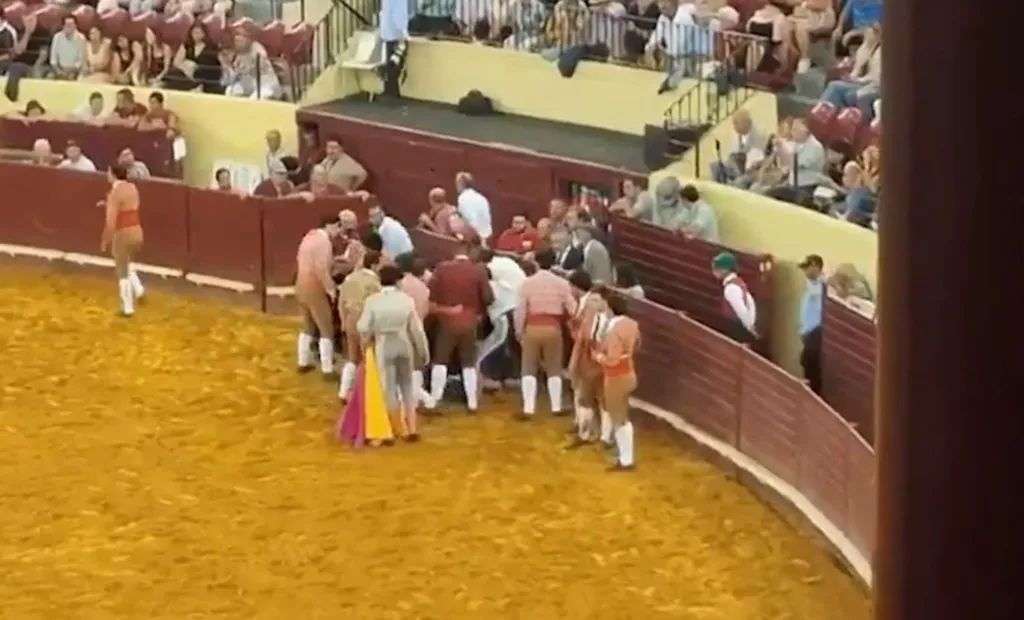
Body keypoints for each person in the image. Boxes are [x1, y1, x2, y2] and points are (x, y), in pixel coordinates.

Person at [358, 265, 431, 441]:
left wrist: (369, 338)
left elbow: (362, 326)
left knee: (388, 389)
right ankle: (412, 428)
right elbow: (417, 330)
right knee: (406, 386)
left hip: (384, 344)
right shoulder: (406, 300)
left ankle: (397, 430)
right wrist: (424, 352)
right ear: (398, 281)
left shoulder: (373, 301)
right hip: (403, 343)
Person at [427, 240, 494, 412]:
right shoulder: (478, 270)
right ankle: (472, 402)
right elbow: (488, 297)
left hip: (447, 321)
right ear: (470, 252)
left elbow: (431, 296)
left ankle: (435, 398)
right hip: (470, 321)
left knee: (441, 360)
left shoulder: (442, 268)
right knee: (468, 362)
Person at [514, 248, 577, 418]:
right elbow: (573, 310)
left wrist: (519, 331)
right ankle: (555, 407)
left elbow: (520, 311)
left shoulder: (527, 283)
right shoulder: (562, 284)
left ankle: (528, 408)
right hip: (553, 328)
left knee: (528, 367)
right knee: (554, 367)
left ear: (536, 262)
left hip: (532, 328)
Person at [592, 289, 640, 471]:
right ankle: (625, 456)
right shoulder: (633, 324)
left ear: (611, 309)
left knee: (619, 417)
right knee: (622, 416)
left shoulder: (613, 330)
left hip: (616, 377)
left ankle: (626, 460)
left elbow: (611, 359)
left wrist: (598, 357)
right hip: (629, 373)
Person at [566, 269, 610, 447]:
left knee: (590, 398)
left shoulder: (595, 317)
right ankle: (597, 435)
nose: (592, 303)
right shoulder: (604, 317)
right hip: (596, 361)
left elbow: (582, 339)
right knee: (595, 399)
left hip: (595, 361)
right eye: (592, 299)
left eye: (596, 300)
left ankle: (592, 434)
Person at [295, 218, 342, 375]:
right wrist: (331, 289)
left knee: (307, 326)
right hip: (314, 287)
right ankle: (327, 369)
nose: (338, 231)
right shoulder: (324, 242)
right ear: (330, 226)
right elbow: (321, 268)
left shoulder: (308, 237)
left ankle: (303, 362)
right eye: (337, 227)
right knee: (326, 328)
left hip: (300, 284)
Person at [99, 163, 146, 317]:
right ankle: (139, 289)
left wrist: (105, 239)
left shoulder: (114, 193)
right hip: (137, 231)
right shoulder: (132, 188)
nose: (107, 175)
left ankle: (127, 308)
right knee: (128, 262)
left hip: (123, 233)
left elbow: (111, 222)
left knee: (122, 271)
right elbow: (127, 207)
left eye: (108, 172)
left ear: (113, 174)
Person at [338, 251, 383, 398]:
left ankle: (344, 392)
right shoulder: (375, 283)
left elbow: (341, 303)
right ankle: (367, 394)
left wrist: (344, 322)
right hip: (366, 322)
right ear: (375, 264)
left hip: (351, 318)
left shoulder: (350, 278)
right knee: (369, 358)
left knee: (352, 357)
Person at [821, 22, 882, 121]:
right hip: (859, 82)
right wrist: (850, 78)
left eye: (872, 33)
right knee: (834, 84)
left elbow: (875, 79)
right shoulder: (864, 48)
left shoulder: (881, 52)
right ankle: (829, 118)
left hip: (872, 85)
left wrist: (857, 80)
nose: (868, 35)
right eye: (868, 32)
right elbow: (857, 70)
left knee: (835, 87)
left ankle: (826, 119)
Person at [395, 253, 433, 407]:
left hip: (401, 329)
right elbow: (425, 310)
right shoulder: (422, 287)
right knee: (416, 365)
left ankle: (426, 400)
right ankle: (419, 400)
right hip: (418, 327)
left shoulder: (400, 286)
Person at [710, 109, 767, 186]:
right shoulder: (737, 134)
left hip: (750, 169)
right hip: (736, 165)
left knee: (738, 182)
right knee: (716, 166)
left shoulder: (759, 135)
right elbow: (733, 152)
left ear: (746, 123)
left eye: (736, 123)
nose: (734, 126)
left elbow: (759, 158)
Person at [711, 252, 757, 344]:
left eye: (716, 268)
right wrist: (751, 323)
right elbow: (750, 302)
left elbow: (741, 311)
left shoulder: (730, 288)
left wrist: (749, 327)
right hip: (740, 327)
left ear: (725, 270)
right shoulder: (739, 282)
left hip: (736, 329)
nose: (713, 271)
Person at [221, 31, 282, 100]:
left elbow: (261, 62)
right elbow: (227, 81)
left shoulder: (256, 47)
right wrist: (227, 65)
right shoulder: (236, 55)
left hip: (266, 85)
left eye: (240, 39)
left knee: (255, 98)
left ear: (248, 39)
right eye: (236, 40)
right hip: (248, 85)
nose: (237, 42)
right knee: (229, 91)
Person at [164, 24, 223, 93]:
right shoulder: (187, 45)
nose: (196, 35)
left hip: (204, 74)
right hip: (188, 74)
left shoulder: (212, 47)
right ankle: (193, 87)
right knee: (172, 73)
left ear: (204, 34)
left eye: (199, 33)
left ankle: (199, 86)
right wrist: (187, 66)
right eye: (194, 33)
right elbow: (176, 62)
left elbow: (218, 63)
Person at [798, 254, 825, 394]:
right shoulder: (815, 286)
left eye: (807, 268)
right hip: (809, 334)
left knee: (809, 365)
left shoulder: (820, 287)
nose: (805, 272)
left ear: (815, 266)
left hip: (815, 333)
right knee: (807, 364)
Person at [455, 171, 493, 244]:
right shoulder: (481, 198)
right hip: (486, 236)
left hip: (475, 238)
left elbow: (469, 219)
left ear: (461, 184)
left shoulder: (463, 197)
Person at [50, 16, 87, 80]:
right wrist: (59, 72)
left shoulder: (81, 38)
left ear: (75, 26)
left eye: (71, 25)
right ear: (63, 26)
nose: (69, 27)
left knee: (77, 78)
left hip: (75, 71)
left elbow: (80, 61)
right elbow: (53, 59)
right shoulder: (57, 37)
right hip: (59, 70)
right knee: (49, 77)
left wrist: (71, 71)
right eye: (67, 25)